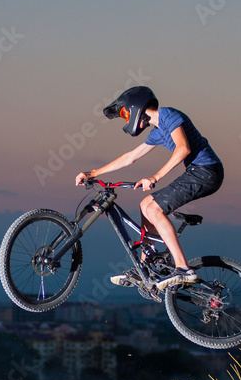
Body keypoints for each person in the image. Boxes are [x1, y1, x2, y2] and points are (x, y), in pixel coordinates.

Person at [75, 86, 223, 290]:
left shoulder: (168, 115)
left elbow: (183, 149)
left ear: (136, 107)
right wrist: (93, 173)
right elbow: (130, 157)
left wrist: (155, 176)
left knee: (154, 208)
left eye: (126, 113)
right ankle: (145, 266)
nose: (127, 120)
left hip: (207, 171)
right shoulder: (157, 132)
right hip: (199, 172)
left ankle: (183, 268)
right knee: (146, 204)